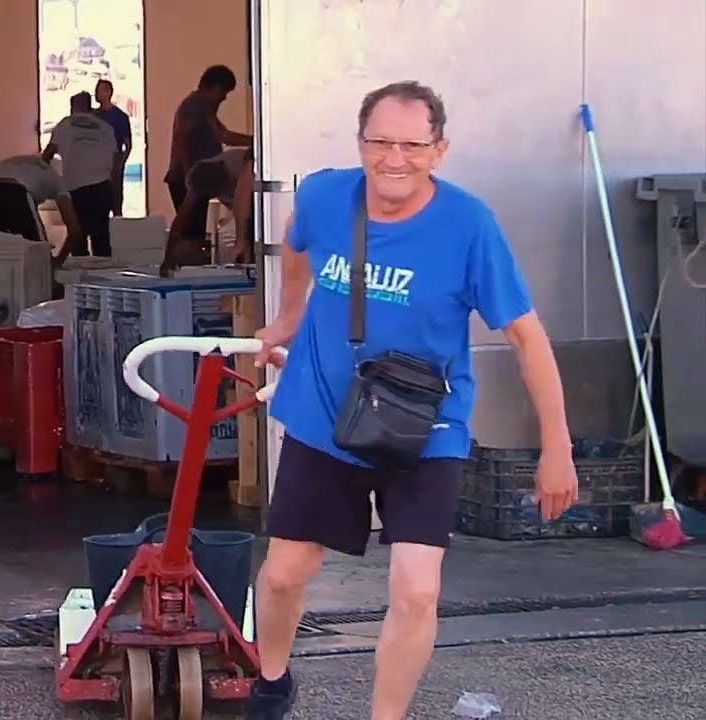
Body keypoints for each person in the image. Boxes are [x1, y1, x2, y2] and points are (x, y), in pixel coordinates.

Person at [245, 81, 579, 719]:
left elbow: (526, 339)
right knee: (286, 573)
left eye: (412, 144)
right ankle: (273, 678)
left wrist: (556, 446)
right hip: (325, 412)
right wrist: (287, 317)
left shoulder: (469, 225)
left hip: (427, 424)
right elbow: (294, 242)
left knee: (417, 588)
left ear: (440, 149)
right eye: (380, 141)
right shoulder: (323, 195)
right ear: (360, 143)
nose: (394, 158)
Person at [166, 65, 251, 246]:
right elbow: (181, 136)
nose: (224, 98)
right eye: (223, 92)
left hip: (195, 176)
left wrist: (256, 141)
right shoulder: (194, 106)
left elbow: (224, 135)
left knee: (192, 231)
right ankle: (185, 265)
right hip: (188, 177)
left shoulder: (204, 108)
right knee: (190, 234)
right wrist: (188, 170)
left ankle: (184, 261)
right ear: (213, 87)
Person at [41, 91, 118, 257]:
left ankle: (80, 280)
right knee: (101, 240)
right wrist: (115, 196)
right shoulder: (105, 127)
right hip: (102, 186)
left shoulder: (65, 125)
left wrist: (47, 183)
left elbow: (46, 156)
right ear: (89, 107)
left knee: (78, 239)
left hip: (76, 187)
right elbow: (115, 163)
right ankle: (105, 278)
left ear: (72, 107)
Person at [0, 154, 85, 265]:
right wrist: (58, 261)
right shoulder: (58, 180)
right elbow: (74, 229)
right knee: (39, 253)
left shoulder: (25, 163)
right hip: (14, 189)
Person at [161, 147, 254, 272]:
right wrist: (168, 259)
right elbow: (181, 219)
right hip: (211, 177)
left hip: (245, 183)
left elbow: (241, 204)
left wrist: (241, 240)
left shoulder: (239, 169)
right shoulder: (199, 179)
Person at [94, 79, 132, 216]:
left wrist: (120, 162)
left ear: (108, 92)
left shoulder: (120, 117)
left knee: (115, 200)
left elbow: (127, 143)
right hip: (97, 161)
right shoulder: (93, 116)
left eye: (99, 90)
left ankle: (118, 232)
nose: (96, 93)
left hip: (113, 160)